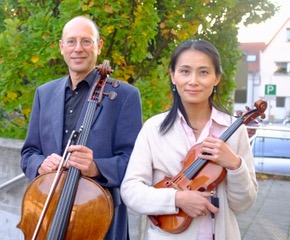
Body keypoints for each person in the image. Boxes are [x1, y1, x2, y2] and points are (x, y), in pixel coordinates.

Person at [121, 39, 257, 239]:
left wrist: (235, 164)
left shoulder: (234, 130)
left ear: (216, 78)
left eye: (203, 72)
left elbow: (242, 203)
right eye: (185, 71)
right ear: (173, 76)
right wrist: (177, 198)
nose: (193, 81)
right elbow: (130, 191)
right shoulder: (153, 128)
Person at [20, 16, 142, 240]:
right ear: (61, 47)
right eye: (71, 41)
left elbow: (134, 162)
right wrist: (41, 164)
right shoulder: (44, 94)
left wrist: (96, 167)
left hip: (97, 219)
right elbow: (28, 154)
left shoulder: (125, 96)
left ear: (99, 46)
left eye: (86, 41)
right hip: (47, 212)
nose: (78, 49)